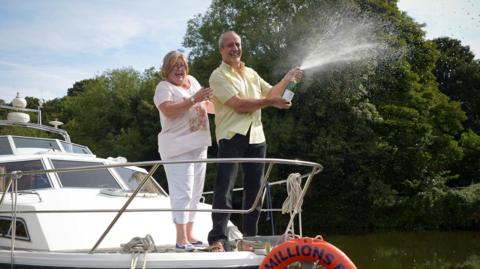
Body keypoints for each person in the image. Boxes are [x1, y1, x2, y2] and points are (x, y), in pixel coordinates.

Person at [207, 31, 303, 252]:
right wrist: (271, 101)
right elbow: (238, 104)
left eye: (238, 44)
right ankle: (217, 239)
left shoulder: (250, 72)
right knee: (225, 187)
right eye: (230, 45)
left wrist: (288, 79)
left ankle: (250, 238)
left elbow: (272, 92)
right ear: (222, 50)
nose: (235, 48)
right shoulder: (218, 76)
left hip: (257, 136)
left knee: (256, 190)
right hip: (231, 136)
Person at [153, 51, 214, 250]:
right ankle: (180, 240)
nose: (179, 69)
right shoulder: (164, 87)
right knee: (183, 192)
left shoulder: (193, 81)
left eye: (182, 65)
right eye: (174, 66)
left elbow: (206, 105)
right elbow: (168, 110)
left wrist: (232, 108)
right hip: (178, 148)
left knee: (196, 192)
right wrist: (193, 99)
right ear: (166, 70)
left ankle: (189, 234)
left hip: (200, 144)